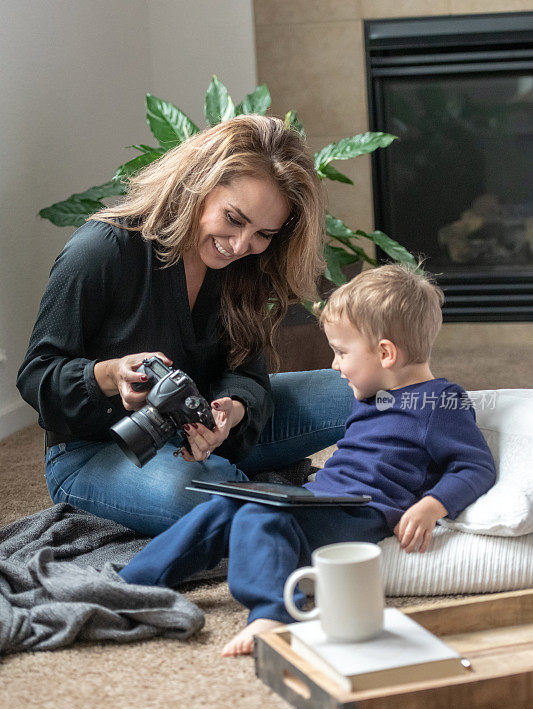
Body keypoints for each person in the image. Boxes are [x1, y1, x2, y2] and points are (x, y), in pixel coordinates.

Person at [118, 264, 497, 656]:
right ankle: (132, 582)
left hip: (359, 512)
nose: (335, 364)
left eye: (341, 352)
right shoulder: (372, 394)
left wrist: (432, 506)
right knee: (229, 502)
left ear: (385, 353)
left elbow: (475, 466)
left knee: (258, 516)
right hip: (318, 498)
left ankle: (273, 613)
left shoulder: (440, 403)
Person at [17, 115, 354, 536]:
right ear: (197, 185)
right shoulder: (101, 250)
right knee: (205, 499)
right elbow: (36, 375)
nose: (240, 245)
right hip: (97, 450)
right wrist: (108, 374)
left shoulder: (245, 265)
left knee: (369, 389)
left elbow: (247, 370)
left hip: (208, 434)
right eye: (233, 219)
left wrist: (234, 409)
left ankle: (456, 430)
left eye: (263, 233)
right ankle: (333, 508)